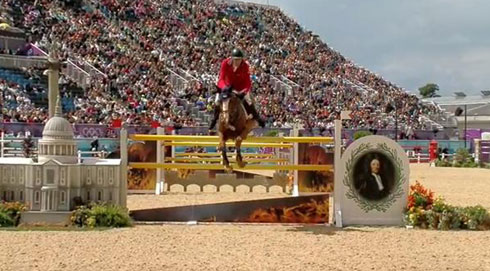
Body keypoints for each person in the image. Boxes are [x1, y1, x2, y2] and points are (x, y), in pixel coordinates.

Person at [209, 48, 265, 130]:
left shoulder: (245, 66)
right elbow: (221, 78)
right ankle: (214, 120)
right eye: (235, 60)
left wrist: (244, 91)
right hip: (227, 87)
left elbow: (247, 82)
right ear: (231, 58)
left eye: (239, 60)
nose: (237, 62)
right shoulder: (225, 63)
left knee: (248, 100)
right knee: (217, 101)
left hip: (240, 88)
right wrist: (225, 88)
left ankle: (257, 117)